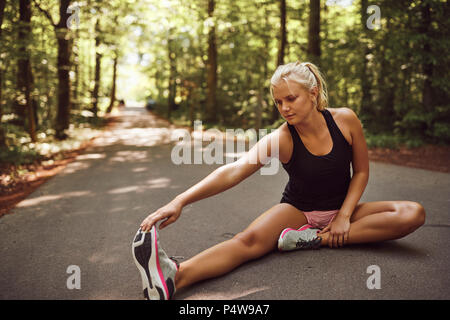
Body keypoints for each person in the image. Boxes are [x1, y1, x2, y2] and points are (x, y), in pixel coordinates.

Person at [131, 61, 426, 300]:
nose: (284, 107)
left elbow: (361, 172)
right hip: (298, 211)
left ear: (313, 92)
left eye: (291, 98)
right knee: (246, 242)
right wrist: (179, 200)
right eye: (278, 102)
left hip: (344, 208)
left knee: (412, 213)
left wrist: (344, 216)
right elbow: (234, 170)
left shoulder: (345, 120)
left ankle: (314, 240)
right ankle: (173, 276)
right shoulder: (282, 138)